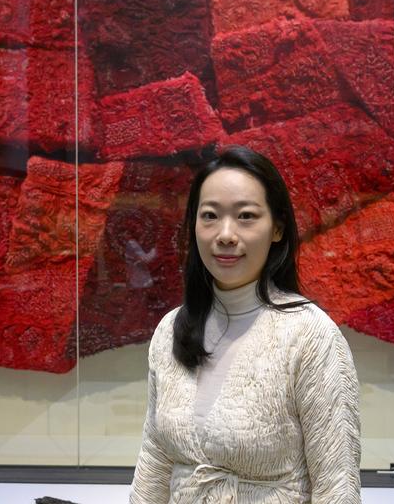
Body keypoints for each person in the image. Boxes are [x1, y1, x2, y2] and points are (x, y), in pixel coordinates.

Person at [129, 146, 361, 504]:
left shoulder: (310, 335)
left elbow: (337, 488)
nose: (225, 234)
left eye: (246, 216)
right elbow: (154, 464)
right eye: (210, 216)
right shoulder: (171, 329)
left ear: (277, 228)